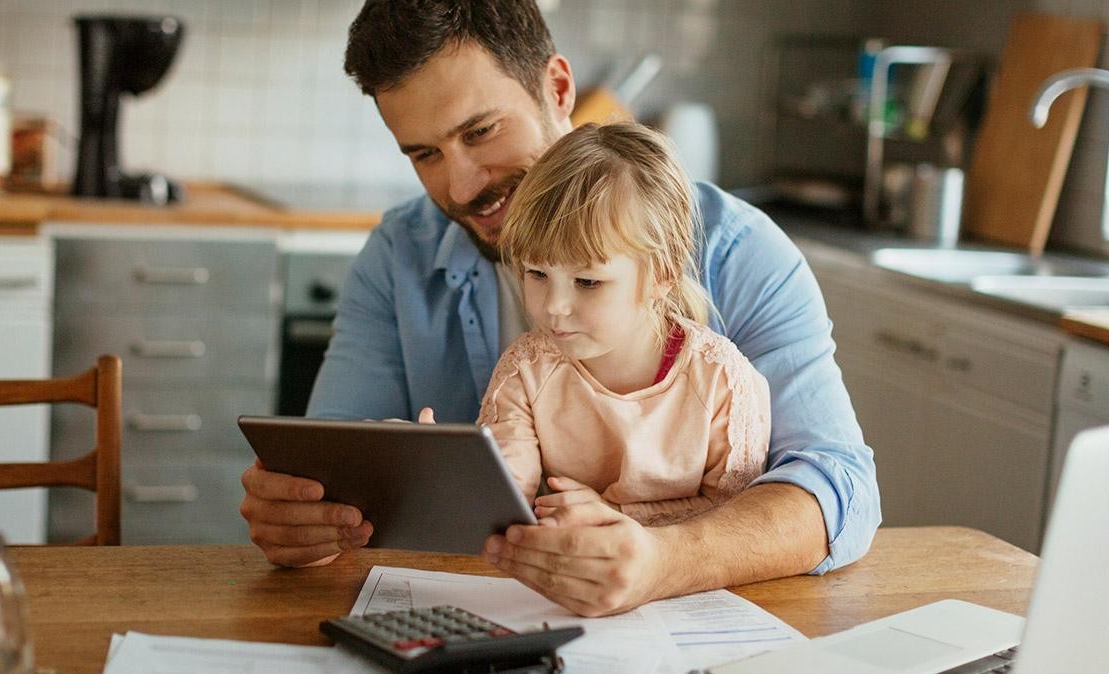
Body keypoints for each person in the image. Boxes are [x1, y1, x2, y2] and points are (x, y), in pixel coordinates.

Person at [239, 0, 880, 617]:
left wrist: (662, 559)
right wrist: (303, 512)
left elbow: (839, 489)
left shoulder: (739, 253)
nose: (461, 187)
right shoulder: (399, 257)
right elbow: (333, 457)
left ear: (558, 88)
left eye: (480, 131)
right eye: (424, 154)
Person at [480, 122, 772, 533]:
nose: (554, 307)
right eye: (536, 273)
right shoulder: (526, 371)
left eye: (587, 282)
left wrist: (614, 518)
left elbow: (731, 520)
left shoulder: (720, 380)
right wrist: (456, 471)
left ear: (662, 275)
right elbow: (509, 487)